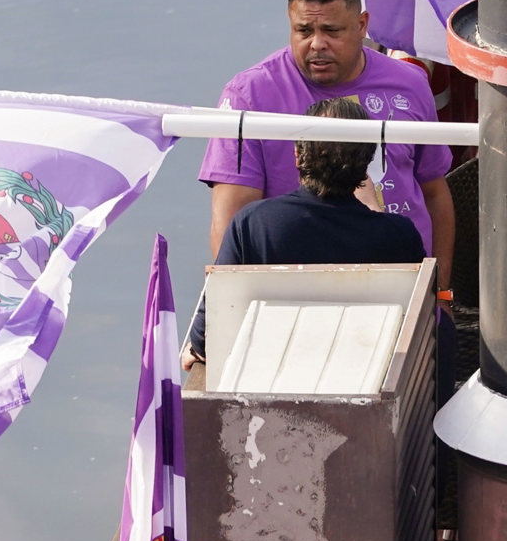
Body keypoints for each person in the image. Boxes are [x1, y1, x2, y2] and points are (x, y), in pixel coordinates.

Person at [198, 0, 454, 290]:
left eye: (331, 31)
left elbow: (434, 193)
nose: (317, 44)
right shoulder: (249, 98)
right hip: (299, 297)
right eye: (304, 31)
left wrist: (443, 295)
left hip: (407, 289)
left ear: (362, 26)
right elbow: (232, 226)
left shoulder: (411, 83)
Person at [183, 97, 426, 368]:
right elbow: (418, 330)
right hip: (363, 377)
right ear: (368, 162)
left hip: (269, 379)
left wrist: (194, 349)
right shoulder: (398, 234)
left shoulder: (253, 224)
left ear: (297, 155)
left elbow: (207, 335)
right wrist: (375, 211)